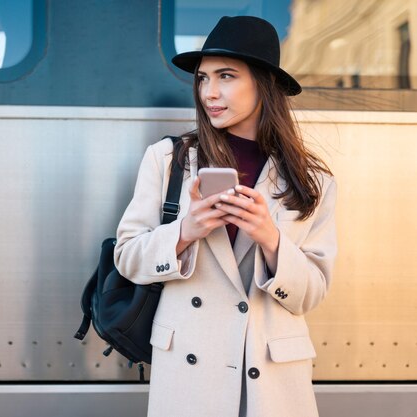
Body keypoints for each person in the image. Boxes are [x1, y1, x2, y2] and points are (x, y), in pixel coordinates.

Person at [114, 16, 337, 417]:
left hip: (270, 380)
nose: (209, 93)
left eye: (226, 76)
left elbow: (312, 292)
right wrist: (185, 232)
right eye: (202, 78)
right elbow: (128, 257)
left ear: (263, 83)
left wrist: (270, 240)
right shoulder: (169, 160)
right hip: (191, 375)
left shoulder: (311, 180)